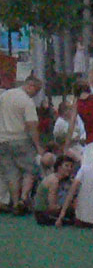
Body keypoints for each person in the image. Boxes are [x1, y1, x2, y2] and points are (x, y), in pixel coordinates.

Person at [0, 75, 43, 214]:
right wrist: (38, 146)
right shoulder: (27, 101)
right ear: (31, 86)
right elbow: (32, 125)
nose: (36, 94)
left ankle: (14, 202)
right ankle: (23, 199)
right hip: (20, 139)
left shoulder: (4, 96)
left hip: (2, 139)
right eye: (37, 90)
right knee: (30, 169)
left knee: (11, 173)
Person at [34, 155, 77, 226]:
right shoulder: (54, 181)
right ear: (59, 167)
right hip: (44, 214)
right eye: (66, 166)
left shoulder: (64, 180)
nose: (69, 169)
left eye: (71, 166)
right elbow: (52, 206)